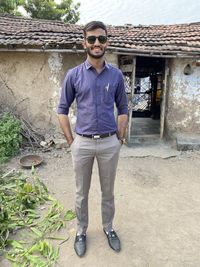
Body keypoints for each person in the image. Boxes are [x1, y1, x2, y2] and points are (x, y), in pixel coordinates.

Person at [57, 21, 128, 257]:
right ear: (84, 43)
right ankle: (81, 230)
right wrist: (71, 141)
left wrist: (120, 137)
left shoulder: (116, 75)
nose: (97, 43)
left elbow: (124, 108)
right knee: (81, 193)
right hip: (83, 143)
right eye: (92, 39)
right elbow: (62, 110)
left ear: (107, 41)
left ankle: (108, 228)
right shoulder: (73, 75)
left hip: (109, 143)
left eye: (101, 39)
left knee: (108, 192)